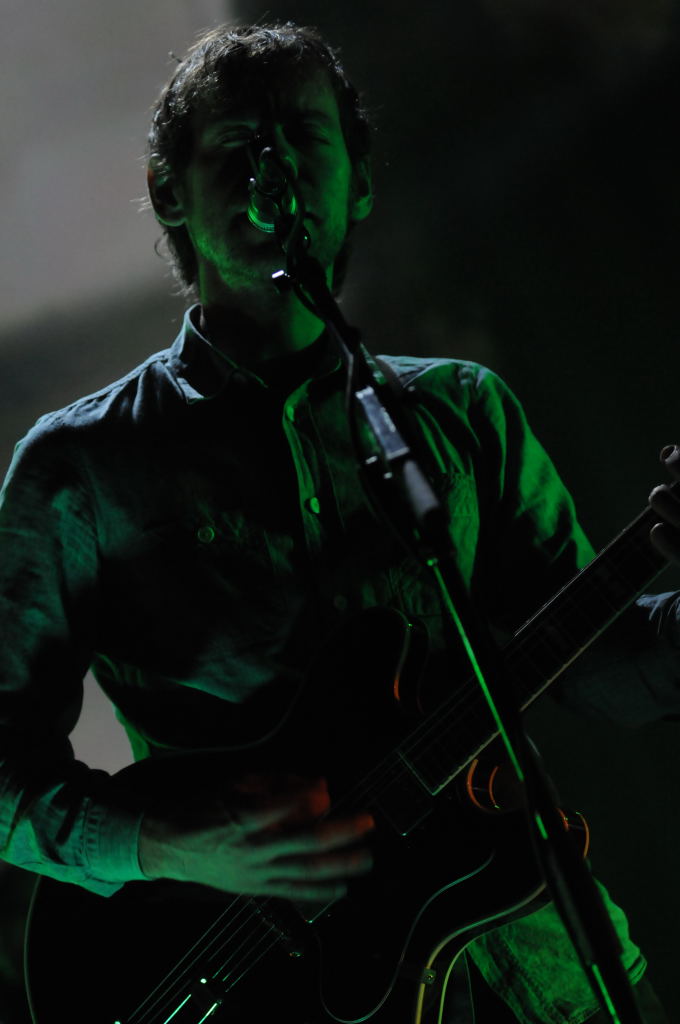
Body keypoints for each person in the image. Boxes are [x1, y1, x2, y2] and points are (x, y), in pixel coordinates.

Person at [1, 21, 679, 1024]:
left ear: (358, 180)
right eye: (237, 146)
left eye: (301, 138)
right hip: (253, 982)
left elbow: (588, 661)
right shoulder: (79, 466)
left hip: (534, 956)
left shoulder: (462, 412)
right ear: (168, 192)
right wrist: (168, 843)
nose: (271, 170)